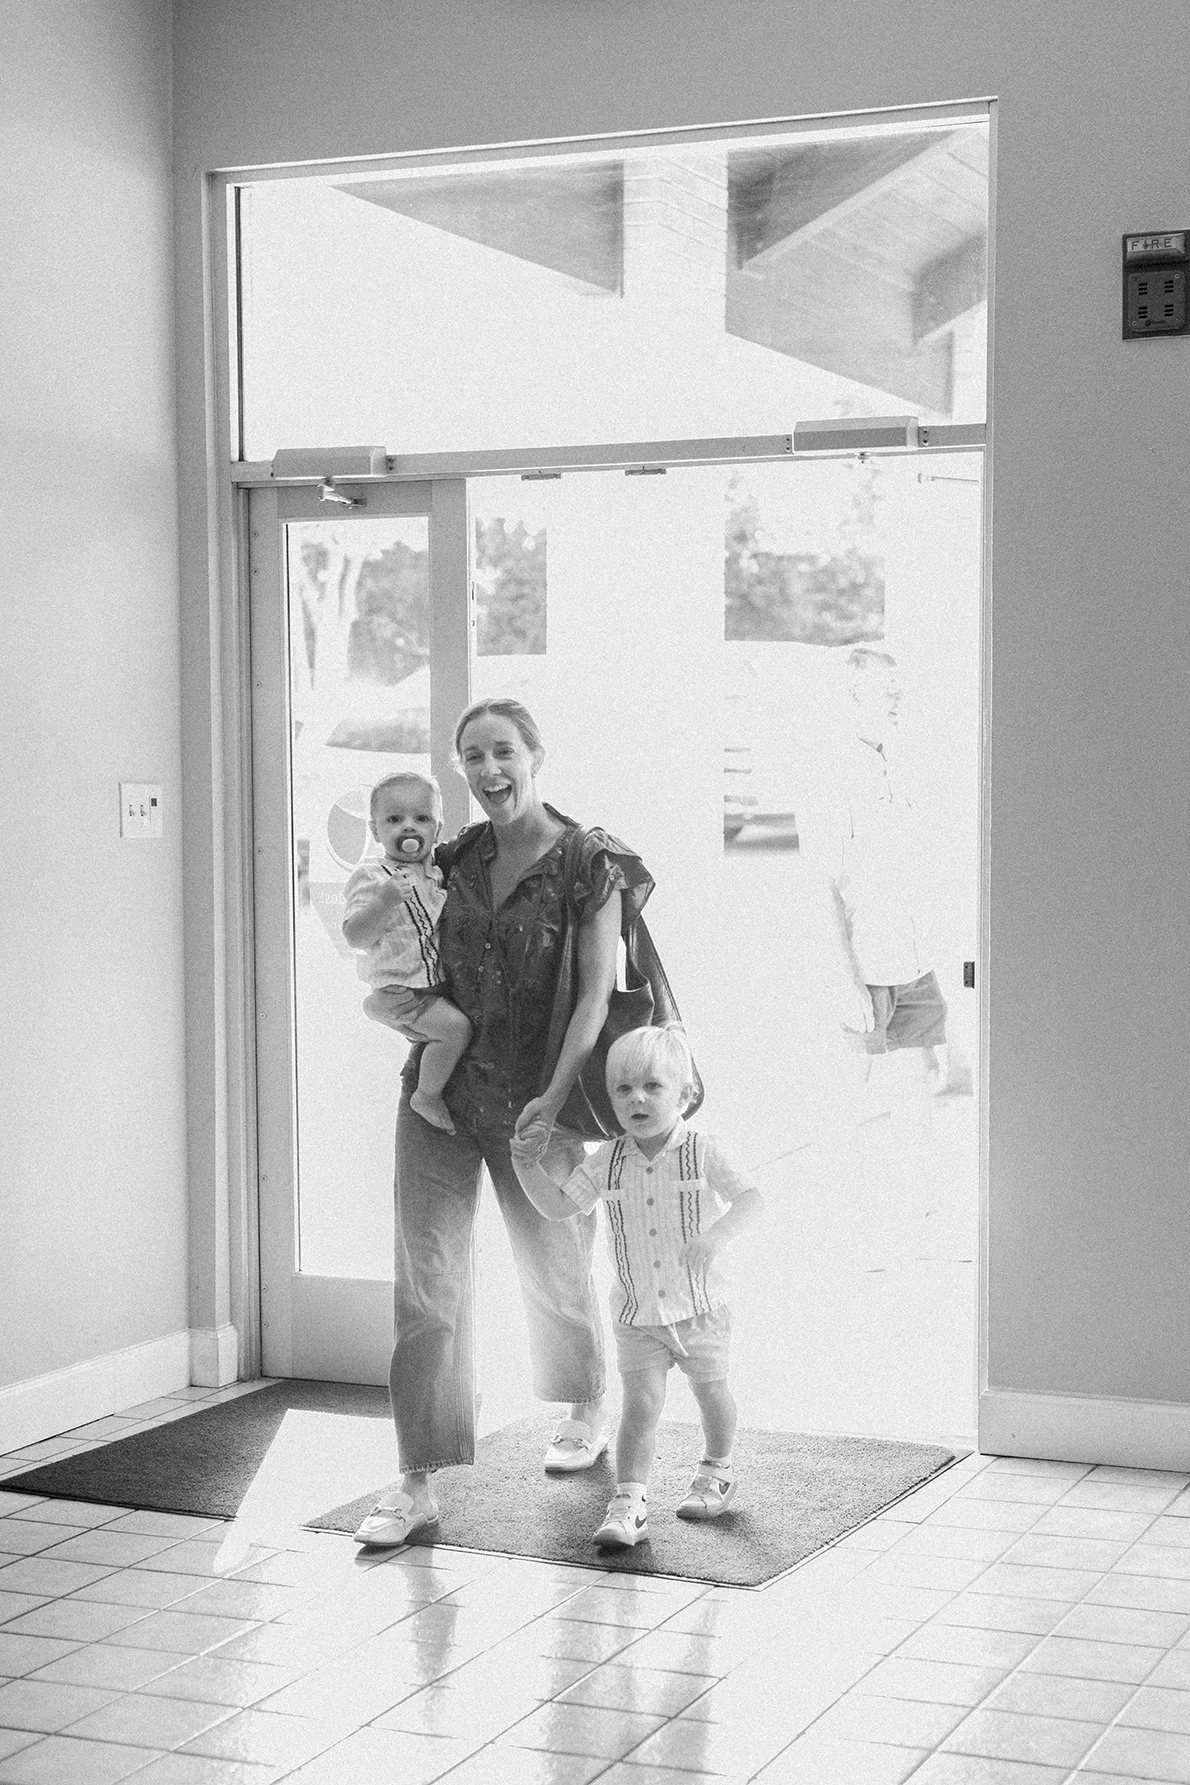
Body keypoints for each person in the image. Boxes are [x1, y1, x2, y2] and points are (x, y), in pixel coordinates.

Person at [353, 697, 654, 1548]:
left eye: (502, 752)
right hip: (441, 1100)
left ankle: (586, 1398)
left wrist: (556, 1098)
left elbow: (597, 993)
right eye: (472, 758)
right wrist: (399, 1017)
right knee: (429, 1284)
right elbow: (395, 945)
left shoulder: (589, 861)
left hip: (539, 1098)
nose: (488, 771)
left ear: (535, 753)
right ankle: (415, 1479)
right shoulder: (452, 855)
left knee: (555, 1263)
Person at [511, 1024, 762, 1550]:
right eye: (623, 1089)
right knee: (640, 1406)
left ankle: (716, 1468)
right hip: (637, 1312)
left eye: (652, 1086)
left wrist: (716, 1238)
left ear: (686, 1094)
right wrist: (524, 1165)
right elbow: (558, 1206)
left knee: (711, 1390)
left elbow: (751, 1200)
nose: (637, 1098)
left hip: (700, 1307)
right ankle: (628, 1500)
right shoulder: (606, 1161)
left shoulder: (703, 1151)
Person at [342, 771, 472, 1134]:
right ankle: (426, 1094)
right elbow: (355, 935)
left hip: (432, 985)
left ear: (437, 828)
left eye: (421, 818)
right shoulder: (371, 877)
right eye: (394, 819)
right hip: (404, 992)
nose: (408, 828)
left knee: (453, 1026)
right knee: (456, 1029)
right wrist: (383, 902)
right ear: (374, 830)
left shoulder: (436, 875)